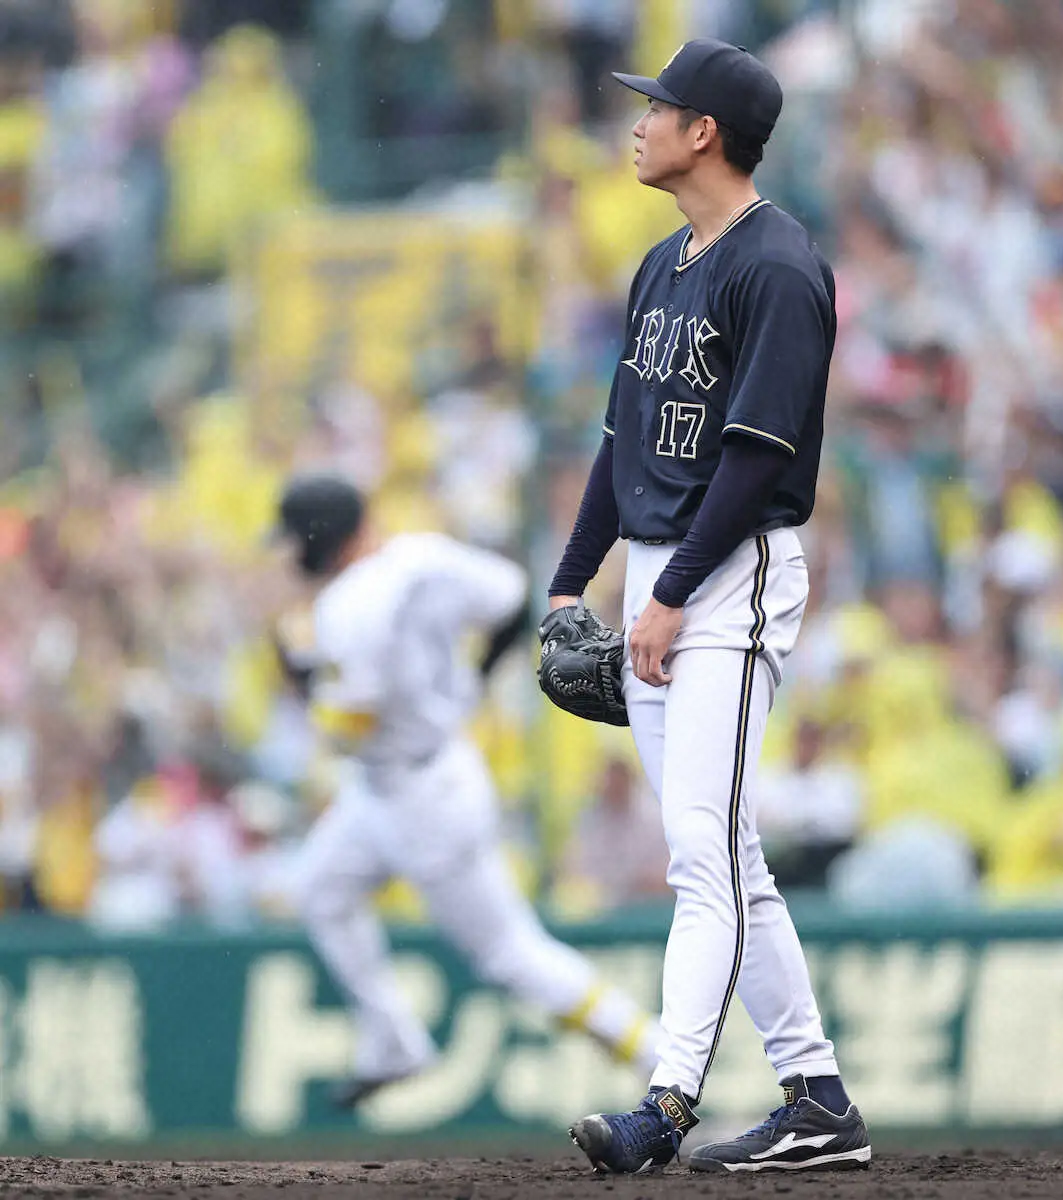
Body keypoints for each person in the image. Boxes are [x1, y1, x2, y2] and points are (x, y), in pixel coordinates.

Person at [547, 39, 871, 1174]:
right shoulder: (661, 264)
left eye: (661, 108)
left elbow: (755, 455)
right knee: (727, 853)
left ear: (708, 135)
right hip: (659, 570)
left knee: (699, 854)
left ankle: (666, 1106)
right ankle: (818, 1098)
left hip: (728, 572)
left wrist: (676, 595)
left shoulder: (778, 266)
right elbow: (617, 443)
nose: (639, 123)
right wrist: (567, 583)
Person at [273, 472, 661, 1106]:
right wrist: (473, 682)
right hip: (403, 780)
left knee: (510, 952)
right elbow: (511, 601)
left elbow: (347, 723)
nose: (290, 555)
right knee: (319, 889)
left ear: (320, 538)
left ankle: (653, 1049)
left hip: (421, 799)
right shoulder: (422, 554)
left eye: (294, 540)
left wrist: (298, 674)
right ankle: (392, 1041)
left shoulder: (347, 604)